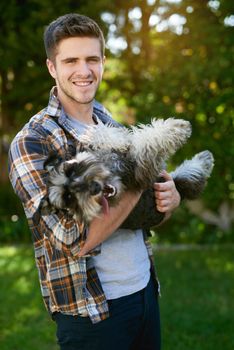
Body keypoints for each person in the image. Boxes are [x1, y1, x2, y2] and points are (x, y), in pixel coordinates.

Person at [8, 13, 181, 350]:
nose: (83, 71)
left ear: (103, 62)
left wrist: (166, 200)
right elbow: (73, 240)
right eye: (71, 60)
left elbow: (142, 214)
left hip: (144, 291)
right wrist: (138, 175)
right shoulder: (33, 141)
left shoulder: (109, 123)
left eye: (92, 59)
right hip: (92, 315)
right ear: (51, 67)